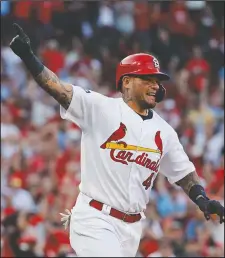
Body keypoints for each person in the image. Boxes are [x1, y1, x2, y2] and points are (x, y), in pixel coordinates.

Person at [9, 23, 224, 257]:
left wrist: (203, 200)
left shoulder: (165, 131)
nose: (155, 85)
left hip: (132, 229)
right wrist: (29, 58)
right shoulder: (100, 107)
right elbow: (58, 88)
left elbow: (184, 174)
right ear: (127, 82)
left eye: (157, 80)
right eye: (148, 79)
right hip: (95, 218)